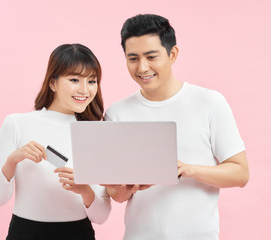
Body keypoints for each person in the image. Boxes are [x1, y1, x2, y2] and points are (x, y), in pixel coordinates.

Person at [105, 14, 249, 240]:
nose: (142, 67)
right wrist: (126, 186)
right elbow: (118, 196)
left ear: (172, 54)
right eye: (133, 58)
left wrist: (187, 169)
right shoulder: (117, 112)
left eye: (151, 57)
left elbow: (240, 173)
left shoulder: (210, 103)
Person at [0, 43, 111, 240]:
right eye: (74, 79)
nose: (84, 90)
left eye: (92, 81)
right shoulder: (17, 123)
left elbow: (101, 216)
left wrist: (84, 190)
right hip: (24, 233)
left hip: (78, 234)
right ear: (53, 83)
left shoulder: (96, 133)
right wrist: (12, 161)